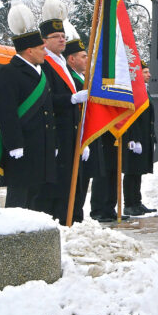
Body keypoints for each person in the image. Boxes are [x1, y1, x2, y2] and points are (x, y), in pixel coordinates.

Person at [0, 1, 56, 214]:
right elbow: (5, 112)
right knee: (18, 198)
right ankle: (14, 239)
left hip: (40, 146)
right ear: (29, 51)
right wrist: (14, 143)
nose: (45, 53)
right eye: (42, 49)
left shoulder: (41, 72)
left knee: (35, 197)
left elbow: (47, 112)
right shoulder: (9, 73)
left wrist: (51, 142)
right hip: (22, 146)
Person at [38, 0, 89, 221]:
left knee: (71, 181)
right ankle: (60, 219)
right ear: (44, 41)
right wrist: (71, 98)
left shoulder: (60, 62)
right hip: (57, 131)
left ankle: (71, 218)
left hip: (71, 131)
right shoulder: (46, 63)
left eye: (63, 36)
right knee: (58, 184)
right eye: (57, 37)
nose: (62, 39)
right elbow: (46, 99)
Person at [122, 61, 157, 216]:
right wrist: (133, 139)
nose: (149, 75)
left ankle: (137, 201)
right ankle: (129, 204)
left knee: (138, 171)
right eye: (145, 72)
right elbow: (131, 118)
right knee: (132, 171)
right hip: (135, 139)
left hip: (144, 137)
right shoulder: (134, 92)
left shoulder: (143, 90)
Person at [63, 34, 92, 223]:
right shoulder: (72, 78)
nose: (87, 59)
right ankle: (72, 218)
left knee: (84, 181)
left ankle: (78, 217)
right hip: (74, 134)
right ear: (71, 59)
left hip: (86, 135)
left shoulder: (81, 77)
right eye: (83, 56)